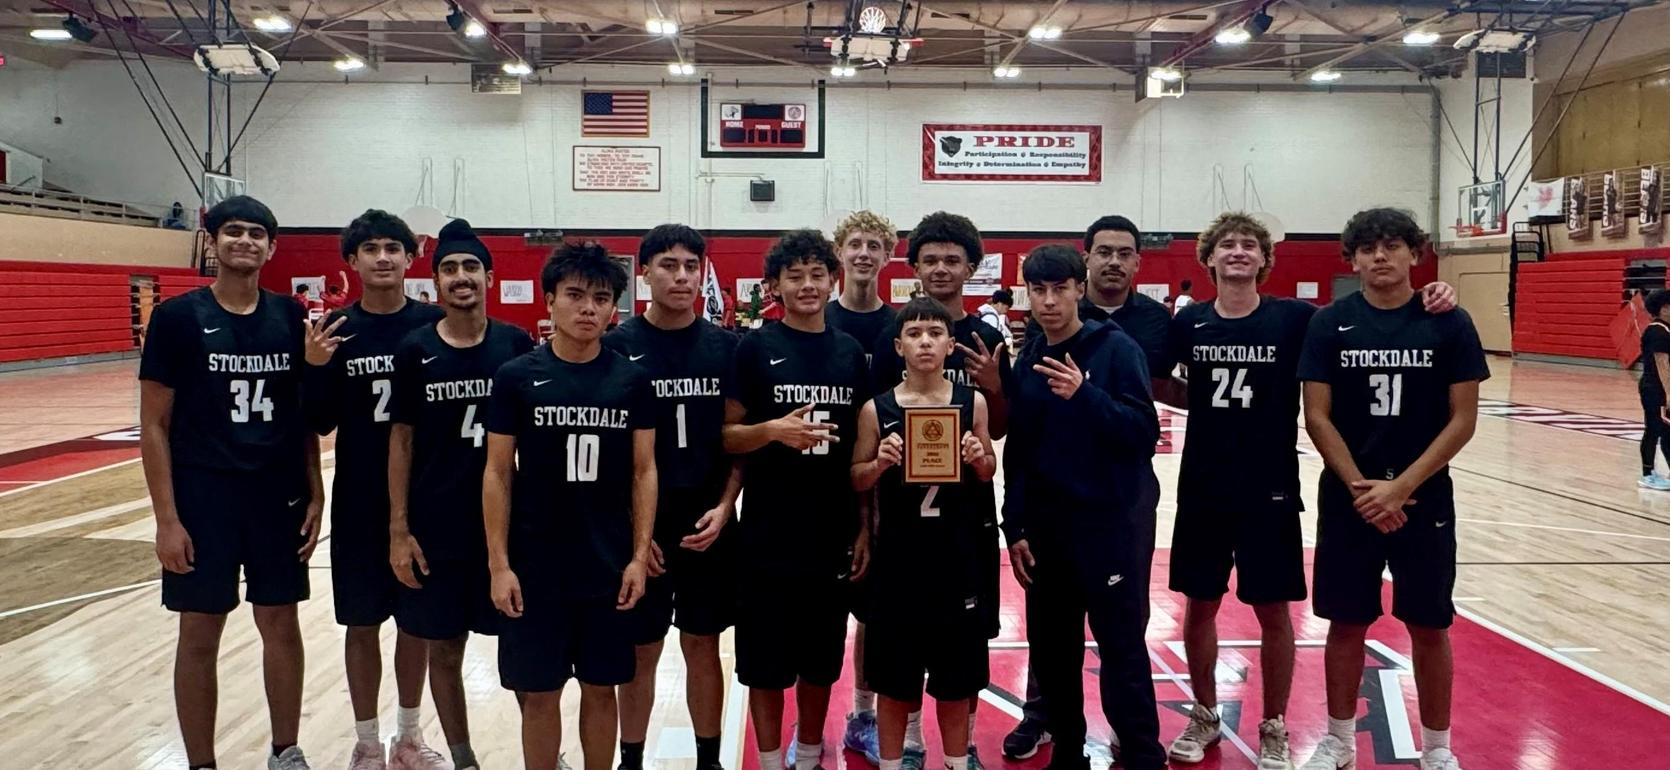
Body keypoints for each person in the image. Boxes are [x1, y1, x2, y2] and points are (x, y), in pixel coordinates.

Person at [1161, 213, 1460, 769]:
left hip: (1270, 487)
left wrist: (1436, 292)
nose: (1238, 252)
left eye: (1249, 244)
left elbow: (1370, 318)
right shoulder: (1188, 323)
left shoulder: (1299, 319)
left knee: (1274, 611)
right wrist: (1192, 401)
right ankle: (1205, 714)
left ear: (1264, 260)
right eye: (1226, 244)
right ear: (1208, 258)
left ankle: (1275, 724)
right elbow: (1154, 376)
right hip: (1203, 485)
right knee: (1199, 605)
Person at [1296, 208, 1489, 770]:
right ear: (1351, 259)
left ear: (1415, 253)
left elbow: (1463, 420)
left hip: (1423, 496)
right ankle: (1337, 740)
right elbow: (1317, 417)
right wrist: (1365, 491)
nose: (1379, 256)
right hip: (1350, 495)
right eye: (1367, 248)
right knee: (1346, 620)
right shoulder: (1330, 323)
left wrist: (1400, 487)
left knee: (1429, 623)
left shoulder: (1448, 322)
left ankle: (1437, 749)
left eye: (1391, 245)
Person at [139, 195, 322, 770]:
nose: (245, 241)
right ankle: (201, 763)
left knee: (281, 621)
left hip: (276, 493)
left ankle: (285, 751)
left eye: (256, 234)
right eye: (233, 232)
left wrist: (316, 490)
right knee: (200, 632)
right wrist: (167, 519)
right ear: (212, 242)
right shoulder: (175, 319)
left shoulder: (290, 317)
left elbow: (302, 414)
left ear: (272, 247)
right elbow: (153, 423)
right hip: (203, 498)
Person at [485, 242, 657, 770]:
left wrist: (637, 556)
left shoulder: (631, 380)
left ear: (614, 309)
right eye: (576, 295)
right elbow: (496, 473)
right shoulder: (516, 377)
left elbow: (644, 471)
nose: (588, 308)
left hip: (606, 564)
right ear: (551, 300)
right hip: (536, 565)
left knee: (601, 689)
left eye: (601, 298)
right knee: (540, 696)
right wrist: (498, 564)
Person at [1007, 214, 1173, 762]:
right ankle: (1069, 750)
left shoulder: (1114, 348)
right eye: (1039, 289)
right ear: (1027, 293)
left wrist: (1086, 395)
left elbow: (1142, 433)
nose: (1049, 300)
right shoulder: (1030, 354)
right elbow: (1022, 451)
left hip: (1108, 528)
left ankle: (1143, 753)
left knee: (1122, 650)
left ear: (1080, 288)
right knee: (1053, 652)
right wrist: (1016, 527)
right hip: (1049, 532)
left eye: (1060, 289)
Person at [301, 210, 447, 770]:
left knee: (416, 624)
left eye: (393, 248)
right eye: (370, 249)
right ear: (351, 261)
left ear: (410, 259)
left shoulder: (435, 325)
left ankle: (409, 737)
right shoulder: (334, 331)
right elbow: (316, 422)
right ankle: (366, 743)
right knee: (362, 624)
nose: (382, 257)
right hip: (361, 498)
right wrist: (314, 367)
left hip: (424, 497)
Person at [387, 218, 535, 770]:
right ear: (435, 283)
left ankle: (543, 753)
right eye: (449, 268)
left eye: (471, 267)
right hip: (436, 525)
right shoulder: (414, 350)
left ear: (489, 278)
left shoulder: (514, 345)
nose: (461, 276)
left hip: (507, 528)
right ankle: (463, 757)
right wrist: (399, 529)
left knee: (524, 652)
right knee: (443, 650)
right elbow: (399, 443)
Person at [722, 229, 871, 770]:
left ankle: (807, 753)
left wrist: (863, 527)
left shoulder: (851, 353)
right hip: (766, 531)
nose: (807, 285)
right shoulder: (754, 348)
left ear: (832, 281)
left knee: (820, 662)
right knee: (762, 665)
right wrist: (772, 432)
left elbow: (862, 446)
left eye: (816, 275)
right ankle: (766, 760)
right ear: (775, 285)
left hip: (831, 532)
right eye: (795, 275)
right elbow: (727, 436)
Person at [869, 212, 1009, 770]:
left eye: (953, 260)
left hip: (964, 520)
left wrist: (996, 389)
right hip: (902, 522)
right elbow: (876, 419)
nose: (942, 269)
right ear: (915, 266)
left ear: (970, 267)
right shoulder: (890, 337)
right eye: (930, 259)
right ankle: (905, 744)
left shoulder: (988, 337)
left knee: (961, 652)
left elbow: (998, 429)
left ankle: (963, 747)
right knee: (895, 652)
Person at [605, 225, 743, 770]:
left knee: (703, 644)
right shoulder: (617, 347)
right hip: (645, 526)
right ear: (644, 272)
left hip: (709, 518)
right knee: (641, 651)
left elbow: (739, 440)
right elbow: (611, 445)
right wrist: (636, 535)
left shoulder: (727, 347)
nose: (681, 275)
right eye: (668, 265)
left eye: (691, 265)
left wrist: (728, 505)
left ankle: (708, 760)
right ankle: (631, 760)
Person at [851, 297, 998, 770]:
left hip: (957, 562)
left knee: (956, 686)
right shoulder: (878, 410)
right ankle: (894, 764)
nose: (925, 341)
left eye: (935, 333)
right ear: (899, 346)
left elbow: (989, 469)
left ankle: (956, 760)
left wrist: (979, 457)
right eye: (914, 334)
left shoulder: (971, 402)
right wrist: (880, 463)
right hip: (900, 564)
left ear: (950, 344)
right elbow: (856, 476)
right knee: (895, 686)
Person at [822, 210, 900, 766]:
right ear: (840, 253)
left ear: (888, 255)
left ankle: (862, 714)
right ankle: (806, 729)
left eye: (876, 244)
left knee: (873, 611)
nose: (865, 253)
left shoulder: (901, 327)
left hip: (884, 480)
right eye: (856, 244)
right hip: (820, 480)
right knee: (822, 609)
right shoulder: (817, 320)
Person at [1639, 290, 1670, 490]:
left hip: (1659, 388)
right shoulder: (1658, 331)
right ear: (1661, 309)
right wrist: (1669, 394)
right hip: (1655, 388)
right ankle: (1648, 474)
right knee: (1656, 430)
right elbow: (1663, 365)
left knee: (1663, 431)